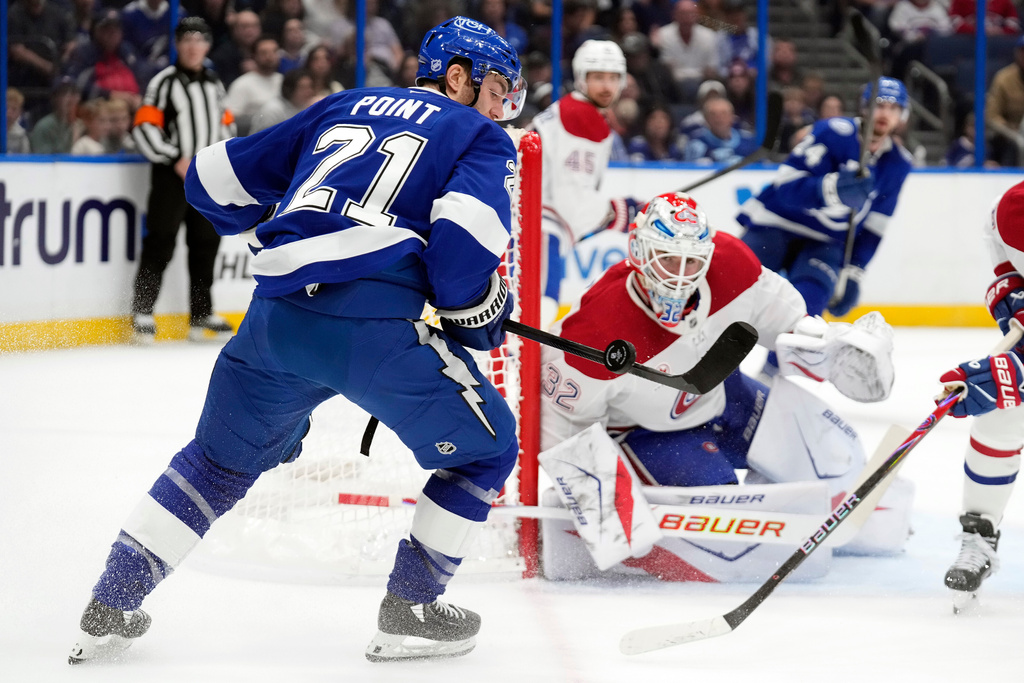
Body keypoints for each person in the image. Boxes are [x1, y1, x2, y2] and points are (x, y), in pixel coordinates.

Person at [68, 15, 527, 665]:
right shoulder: (478, 136)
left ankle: (112, 598)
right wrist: (478, 316)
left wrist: (294, 219)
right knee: (486, 450)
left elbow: (210, 179)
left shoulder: (339, 104)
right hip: (373, 331)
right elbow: (458, 259)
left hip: (274, 321)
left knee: (216, 460)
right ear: (457, 77)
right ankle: (412, 609)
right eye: (495, 87)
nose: (501, 104)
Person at [539, 191, 904, 580]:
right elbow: (562, 425)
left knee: (834, 456)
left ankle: (807, 505)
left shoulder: (730, 264)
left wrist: (834, 351)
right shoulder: (596, 331)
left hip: (724, 394)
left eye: (692, 261)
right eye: (668, 259)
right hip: (647, 433)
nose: (680, 274)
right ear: (639, 253)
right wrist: (602, 508)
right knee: (729, 524)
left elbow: (788, 322)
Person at [737, 76, 912, 381]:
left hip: (825, 240)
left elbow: (874, 225)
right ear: (864, 108)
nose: (885, 113)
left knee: (811, 301)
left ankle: (772, 380)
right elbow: (785, 187)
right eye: (879, 104)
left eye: (894, 108)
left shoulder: (898, 163)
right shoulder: (833, 132)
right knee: (737, 286)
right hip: (777, 222)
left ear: (903, 116)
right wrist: (831, 190)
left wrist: (855, 271)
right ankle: (706, 361)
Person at [939, 180, 1024, 610]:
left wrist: (1018, 374)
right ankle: (978, 534)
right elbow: (1009, 281)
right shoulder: (1010, 209)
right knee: (1004, 412)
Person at [129, 17, 235, 344]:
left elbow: (227, 126)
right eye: (187, 40)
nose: (193, 47)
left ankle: (201, 313)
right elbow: (144, 126)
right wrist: (175, 157)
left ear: (207, 46)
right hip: (172, 177)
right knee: (160, 240)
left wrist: (218, 160)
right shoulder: (163, 82)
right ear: (178, 45)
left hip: (205, 178)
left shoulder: (214, 84)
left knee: (206, 243)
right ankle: (143, 311)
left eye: (199, 40)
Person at [527, 39, 642, 327]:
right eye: (598, 77)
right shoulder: (582, 119)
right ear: (581, 78)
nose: (606, 86)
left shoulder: (573, 110)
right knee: (541, 307)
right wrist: (620, 213)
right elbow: (570, 202)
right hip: (537, 225)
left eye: (613, 78)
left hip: (534, 219)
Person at [223, 35, 283, 135]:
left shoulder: (284, 81)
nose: (270, 56)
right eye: (264, 52)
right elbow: (228, 118)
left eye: (274, 51)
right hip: (253, 139)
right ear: (254, 56)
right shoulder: (242, 84)